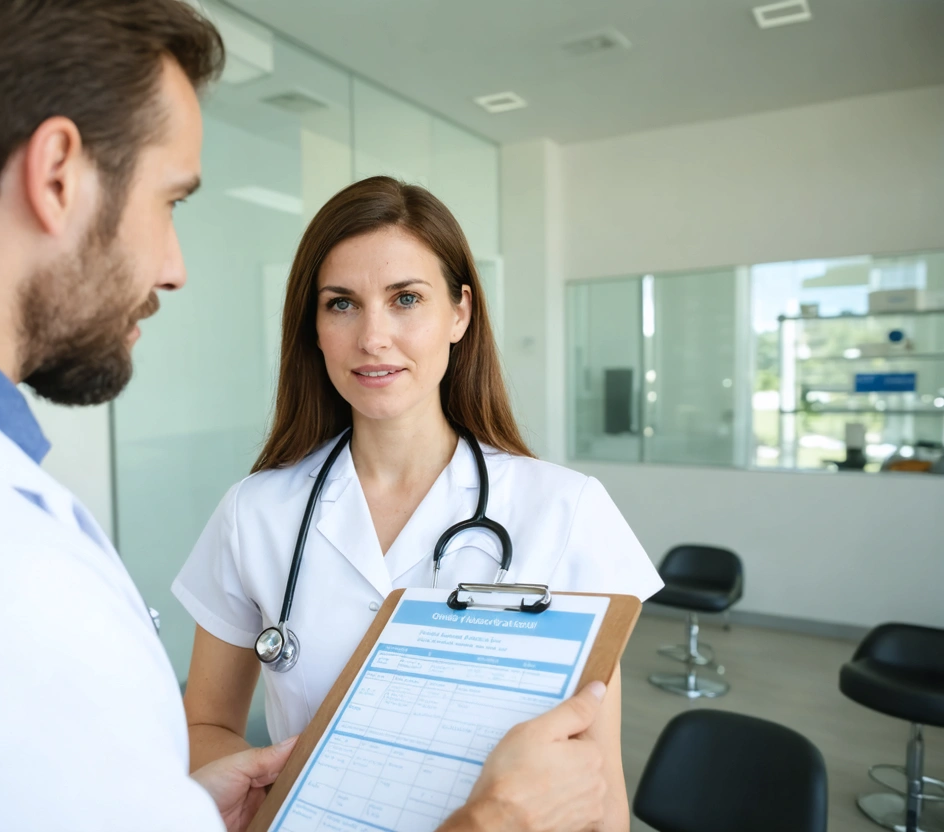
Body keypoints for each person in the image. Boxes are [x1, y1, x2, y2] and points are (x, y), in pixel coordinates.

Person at [0, 2, 625, 831]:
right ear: (55, 175)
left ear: (462, 313)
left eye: (407, 299)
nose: (175, 266)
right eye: (171, 201)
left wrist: (183, 806)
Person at [174, 177, 664, 831]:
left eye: (405, 298)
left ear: (460, 312)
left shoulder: (566, 511)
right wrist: (291, 792)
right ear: (314, 328)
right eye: (341, 304)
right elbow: (204, 726)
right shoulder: (255, 512)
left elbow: (602, 795)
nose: (373, 337)